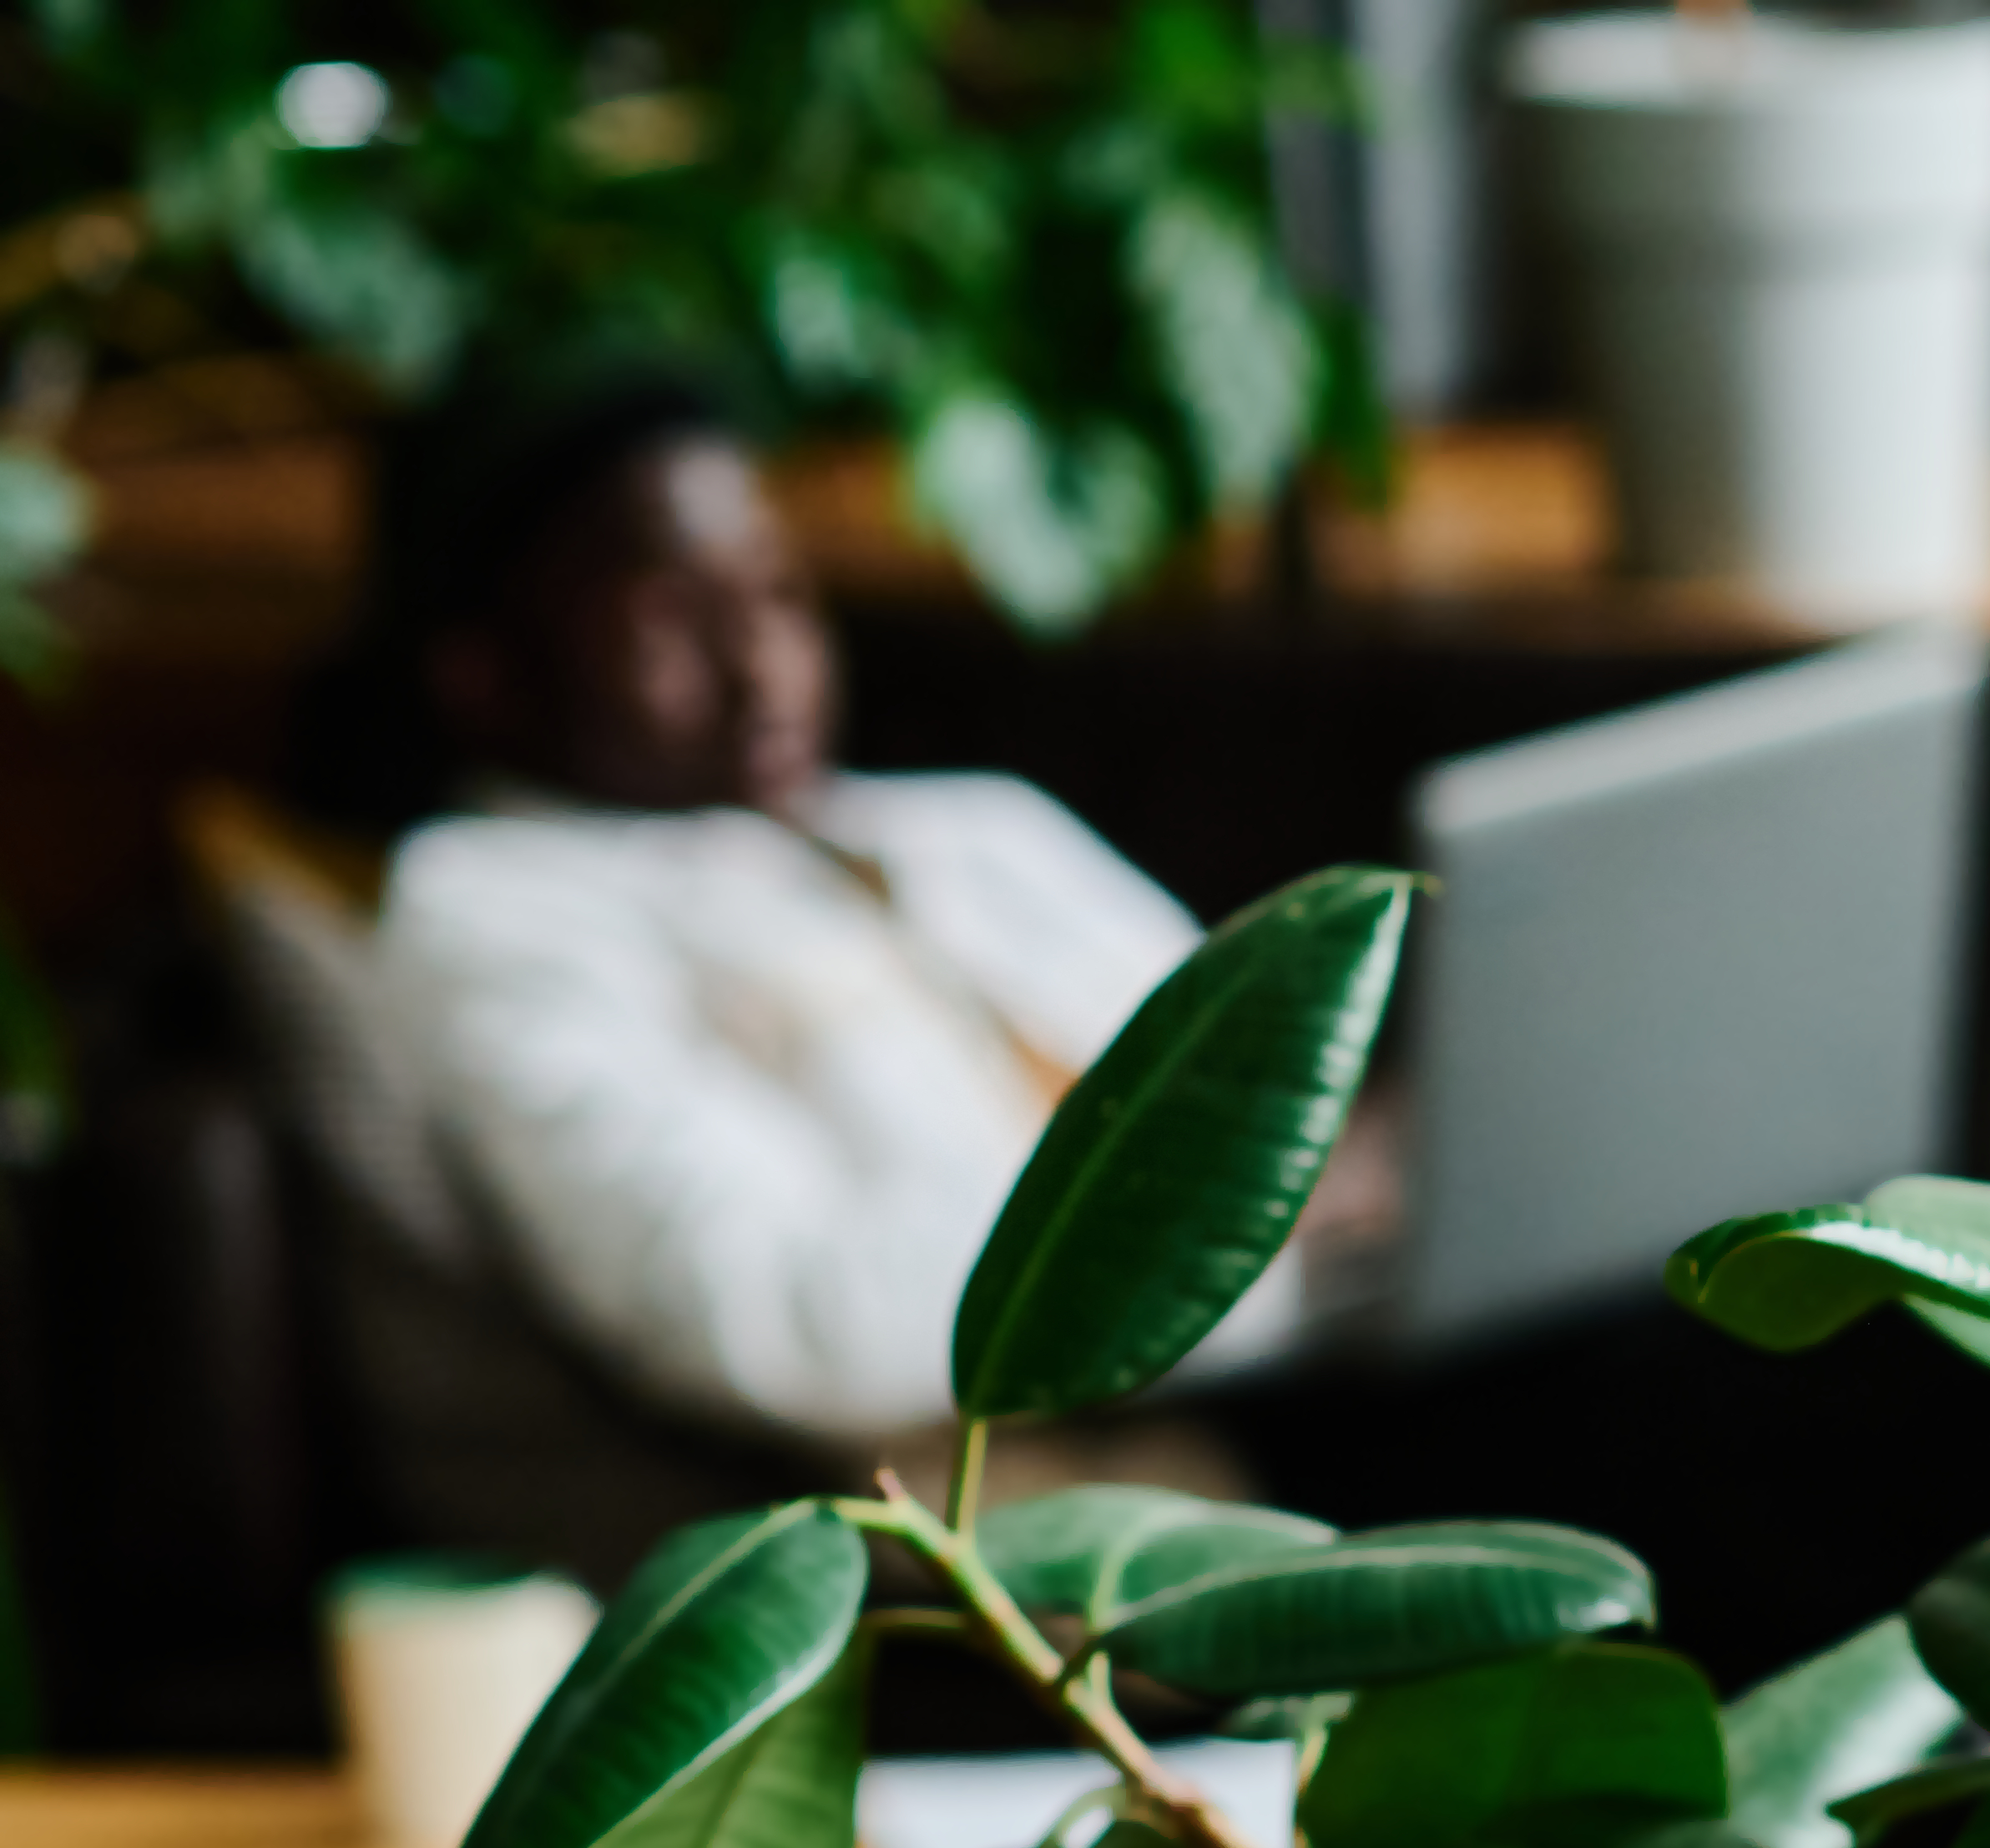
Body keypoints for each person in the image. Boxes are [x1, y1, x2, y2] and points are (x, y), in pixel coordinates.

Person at [305, 359, 1306, 1463]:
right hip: (1070, 1473)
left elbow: (1269, 1065)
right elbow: (781, 1318)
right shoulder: (497, 919)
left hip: (1327, 1342)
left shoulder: (969, 828)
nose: (765, 671)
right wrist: (1257, 1207)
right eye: (672, 622)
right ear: (482, 676)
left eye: (780, 597)